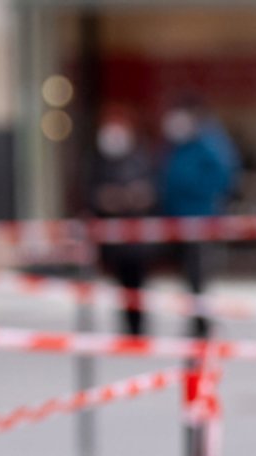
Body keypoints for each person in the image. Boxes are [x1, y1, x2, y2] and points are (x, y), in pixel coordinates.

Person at [158, 102, 240, 337]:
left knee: (199, 274)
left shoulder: (209, 144)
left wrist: (194, 190)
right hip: (178, 221)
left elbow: (223, 178)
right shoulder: (176, 147)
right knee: (189, 276)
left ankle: (201, 322)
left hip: (201, 221)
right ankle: (197, 320)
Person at [89, 110, 158, 335]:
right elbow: (92, 194)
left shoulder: (141, 159)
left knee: (138, 285)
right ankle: (128, 328)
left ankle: (138, 327)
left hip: (137, 240)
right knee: (122, 286)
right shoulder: (99, 162)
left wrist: (135, 197)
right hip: (115, 241)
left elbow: (152, 191)